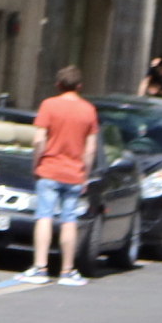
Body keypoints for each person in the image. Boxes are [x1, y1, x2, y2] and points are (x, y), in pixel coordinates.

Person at [27, 65, 102, 286]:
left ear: (58, 85)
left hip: (49, 170)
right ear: (79, 86)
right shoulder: (88, 110)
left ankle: (40, 268)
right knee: (69, 220)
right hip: (74, 174)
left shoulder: (49, 105)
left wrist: (36, 164)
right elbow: (90, 149)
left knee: (44, 217)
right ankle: (67, 271)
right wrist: (85, 175)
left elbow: (39, 139)